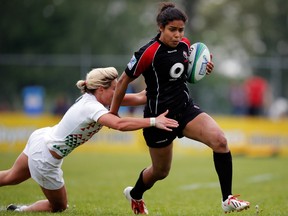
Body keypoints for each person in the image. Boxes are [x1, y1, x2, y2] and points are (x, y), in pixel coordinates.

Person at [110, 2, 250, 214]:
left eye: (180, 30)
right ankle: (136, 193)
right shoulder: (148, 53)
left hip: (185, 109)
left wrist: (203, 67)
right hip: (159, 118)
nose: (177, 35)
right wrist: (113, 113)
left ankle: (227, 199)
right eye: (172, 30)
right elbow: (122, 83)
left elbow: (183, 74)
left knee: (220, 141)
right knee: (160, 172)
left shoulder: (185, 45)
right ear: (161, 27)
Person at [0, 67, 179, 212]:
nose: (119, 92)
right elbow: (119, 124)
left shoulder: (97, 98)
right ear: (101, 89)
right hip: (45, 157)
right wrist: (154, 121)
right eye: (115, 88)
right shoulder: (92, 107)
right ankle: (20, 211)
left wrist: (170, 77)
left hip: (41, 139)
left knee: (11, 177)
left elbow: (141, 97)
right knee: (59, 207)